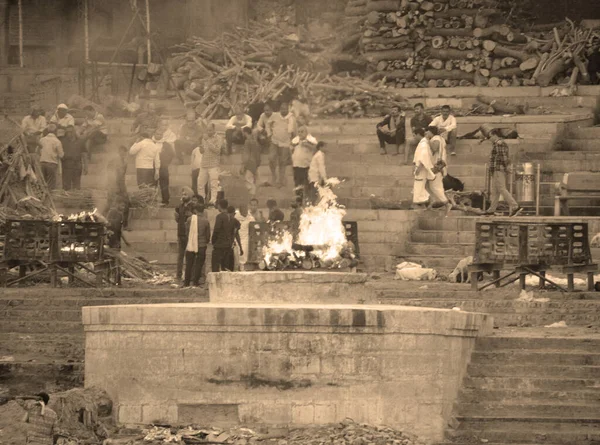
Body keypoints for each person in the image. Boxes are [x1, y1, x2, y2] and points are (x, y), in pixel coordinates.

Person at [485, 129, 522, 217]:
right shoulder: (498, 144)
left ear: (495, 135)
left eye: (490, 137)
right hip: (496, 170)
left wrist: (506, 167)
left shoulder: (499, 144)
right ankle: (491, 210)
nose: (489, 139)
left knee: (501, 188)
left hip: (498, 169)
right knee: (495, 191)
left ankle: (515, 206)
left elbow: (503, 157)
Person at [267, 102, 296, 187]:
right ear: (280, 109)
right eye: (282, 108)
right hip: (274, 141)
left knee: (283, 161)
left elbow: (293, 131)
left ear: (288, 109)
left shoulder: (291, 118)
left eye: (285, 109)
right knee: (271, 158)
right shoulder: (275, 115)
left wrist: (294, 143)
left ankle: (281, 179)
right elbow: (268, 124)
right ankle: (274, 175)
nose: (283, 110)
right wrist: (269, 134)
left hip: (285, 143)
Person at [426, 126, 452, 216]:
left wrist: (426, 143)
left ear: (430, 132)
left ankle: (447, 203)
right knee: (429, 186)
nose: (426, 134)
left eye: (427, 132)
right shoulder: (441, 139)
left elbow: (434, 148)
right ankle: (431, 204)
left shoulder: (435, 138)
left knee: (435, 187)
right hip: (437, 167)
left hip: (437, 167)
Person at [184, 203, 211, 287]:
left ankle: (186, 282)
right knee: (199, 264)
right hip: (202, 245)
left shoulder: (189, 219)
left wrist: (191, 240)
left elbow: (186, 232)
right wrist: (204, 241)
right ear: (203, 211)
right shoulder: (206, 221)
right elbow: (208, 235)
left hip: (191, 244)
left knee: (189, 264)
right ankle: (195, 282)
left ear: (195, 210)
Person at [105, 145, 130, 231]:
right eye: (121, 152)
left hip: (121, 186)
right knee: (110, 205)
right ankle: (105, 223)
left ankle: (125, 225)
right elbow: (110, 175)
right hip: (113, 187)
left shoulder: (125, 163)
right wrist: (113, 187)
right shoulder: (113, 162)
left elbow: (122, 177)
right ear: (118, 152)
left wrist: (123, 189)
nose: (123, 154)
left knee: (126, 204)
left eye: (124, 153)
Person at [198, 122, 223, 207]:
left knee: (213, 184)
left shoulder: (219, 138)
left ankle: (213, 201)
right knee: (200, 184)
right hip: (204, 163)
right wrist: (201, 149)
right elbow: (202, 151)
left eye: (210, 130)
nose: (208, 132)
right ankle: (201, 201)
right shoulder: (204, 138)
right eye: (207, 130)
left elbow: (217, 150)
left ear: (214, 130)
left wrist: (207, 141)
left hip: (213, 164)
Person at [290, 126, 317, 199]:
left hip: (306, 167)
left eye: (302, 131)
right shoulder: (295, 141)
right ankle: (299, 202)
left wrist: (306, 144)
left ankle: (309, 203)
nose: (300, 133)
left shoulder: (311, 141)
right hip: (296, 166)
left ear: (306, 133)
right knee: (298, 186)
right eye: (299, 132)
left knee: (308, 186)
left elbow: (315, 148)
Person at [175, 186, 195, 281]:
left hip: (189, 235)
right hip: (181, 233)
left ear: (190, 195)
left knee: (189, 256)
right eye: (182, 194)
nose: (183, 196)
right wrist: (176, 217)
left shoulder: (193, 206)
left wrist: (191, 215)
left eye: (185, 194)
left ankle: (189, 276)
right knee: (180, 256)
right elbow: (178, 220)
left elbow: (196, 218)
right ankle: (178, 275)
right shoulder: (180, 206)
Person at [411, 128, 435, 208]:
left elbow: (423, 157)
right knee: (419, 187)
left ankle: (428, 201)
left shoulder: (424, 144)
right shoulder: (422, 143)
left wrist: (419, 168)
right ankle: (425, 203)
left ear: (418, 134)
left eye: (414, 135)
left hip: (421, 168)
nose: (413, 137)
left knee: (419, 186)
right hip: (420, 167)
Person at [211, 199, 236, 272]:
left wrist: (213, 240)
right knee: (226, 267)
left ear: (219, 206)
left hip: (219, 244)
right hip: (228, 245)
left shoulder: (220, 217)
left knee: (215, 266)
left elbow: (216, 230)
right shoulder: (231, 217)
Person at [61, 125, 88, 191]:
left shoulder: (80, 141)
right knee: (66, 187)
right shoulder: (62, 142)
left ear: (74, 132)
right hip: (66, 165)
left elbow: (84, 154)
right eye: (67, 132)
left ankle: (76, 199)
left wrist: (86, 167)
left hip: (77, 165)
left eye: (71, 132)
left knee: (76, 186)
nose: (69, 134)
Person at [153, 128, 176, 206]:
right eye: (157, 134)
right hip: (152, 167)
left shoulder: (166, 144)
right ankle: (153, 200)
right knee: (153, 184)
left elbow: (171, 154)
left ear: (162, 135)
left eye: (160, 134)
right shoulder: (150, 143)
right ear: (154, 134)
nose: (158, 136)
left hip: (163, 167)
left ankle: (165, 200)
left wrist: (166, 162)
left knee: (164, 184)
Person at [39, 124, 64, 190]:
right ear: (55, 131)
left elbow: (39, 150)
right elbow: (61, 155)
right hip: (52, 163)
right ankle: (49, 196)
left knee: (43, 181)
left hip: (42, 162)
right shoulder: (57, 141)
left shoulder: (42, 140)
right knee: (51, 183)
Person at [241, 126, 262, 198]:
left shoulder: (247, 142)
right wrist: (257, 164)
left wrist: (243, 165)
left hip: (250, 163)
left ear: (245, 132)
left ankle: (252, 198)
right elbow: (258, 154)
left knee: (248, 180)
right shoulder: (256, 142)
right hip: (255, 163)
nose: (243, 134)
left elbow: (246, 155)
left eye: (243, 133)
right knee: (254, 180)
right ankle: (254, 197)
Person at [235, 204, 254, 271]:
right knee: (237, 254)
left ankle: (243, 268)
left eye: (246, 210)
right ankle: (238, 267)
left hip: (246, 239)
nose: (245, 212)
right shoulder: (236, 218)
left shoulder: (250, 218)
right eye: (244, 210)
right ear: (240, 210)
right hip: (237, 239)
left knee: (244, 253)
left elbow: (254, 226)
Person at [226, 205, 243, 271]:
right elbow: (236, 235)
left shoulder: (223, 219)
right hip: (230, 246)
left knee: (225, 265)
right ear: (234, 213)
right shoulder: (235, 221)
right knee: (230, 265)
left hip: (223, 246)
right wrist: (240, 247)